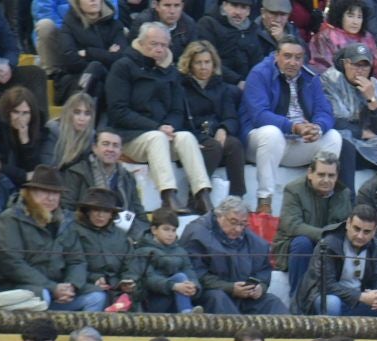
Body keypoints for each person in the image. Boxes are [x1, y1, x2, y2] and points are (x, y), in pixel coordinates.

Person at [104, 21, 215, 216]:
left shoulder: (170, 72)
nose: (159, 49)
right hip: (130, 136)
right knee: (157, 138)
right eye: (154, 44)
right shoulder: (123, 66)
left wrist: (170, 126)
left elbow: (177, 109)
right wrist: (156, 127)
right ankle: (168, 196)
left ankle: (202, 195)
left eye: (164, 45)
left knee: (187, 137)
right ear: (141, 42)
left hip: (162, 135)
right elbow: (118, 111)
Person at [241, 40, 346, 215]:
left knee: (333, 136)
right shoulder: (260, 74)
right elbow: (259, 115)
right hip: (261, 143)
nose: (293, 62)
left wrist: (317, 128)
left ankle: (321, 196)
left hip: (297, 141)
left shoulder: (310, 77)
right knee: (271, 133)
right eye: (287, 56)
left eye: (298, 58)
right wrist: (293, 127)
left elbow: (325, 111)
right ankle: (265, 201)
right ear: (277, 56)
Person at [0, 166, 104, 312]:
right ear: (30, 193)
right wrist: (51, 287)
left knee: (97, 296)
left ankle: (82, 335)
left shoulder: (66, 221)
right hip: (21, 287)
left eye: (55, 193)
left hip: (59, 290)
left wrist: (71, 286)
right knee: (41, 296)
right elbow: (12, 263)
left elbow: (77, 260)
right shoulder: (10, 219)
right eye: (45, 191)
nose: (51, 198)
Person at [181, 196, 286, 314]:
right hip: (211, 294)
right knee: (218, 298)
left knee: (272, 302)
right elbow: (196, 274)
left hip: (244, 296)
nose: (238, 229)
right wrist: (230, 288)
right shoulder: (197, 233)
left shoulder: (253, 240)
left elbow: (263, 270)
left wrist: (260, 287)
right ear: (219, 216)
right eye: (233, 222)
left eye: (243, 224)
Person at [296, 204, 377, 318]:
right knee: (332, 303)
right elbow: (326, 284)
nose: (360, 236)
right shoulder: (329, 243)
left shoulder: (374, 245)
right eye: (356, 229)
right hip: (328, 297)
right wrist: (360, 296)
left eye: (366, 232)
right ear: (348, 224)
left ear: (374, 231)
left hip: (359, 299)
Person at [177, 40, 248, 201]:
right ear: (190, 64)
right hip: (194, 136)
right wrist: (194, 139)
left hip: (215, 133)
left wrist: (224, 129)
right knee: (213, 147)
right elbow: (179, 118)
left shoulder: (221, 87)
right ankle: (196, 199)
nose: (203, 67)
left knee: (234, 145)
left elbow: (231, 117)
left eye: (207, 62)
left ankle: (237, 197)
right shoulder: (181, 87)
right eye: (198, 63)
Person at [273, 151, 352, 294]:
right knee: (302, 242)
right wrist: (325, 235)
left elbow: (344, 226)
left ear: (337, 176)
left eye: (331, 175)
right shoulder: (293, 189)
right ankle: (298, 299)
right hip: (293, 246)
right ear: (310, 173)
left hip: (329, 245)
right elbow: (292, 226)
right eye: (321, 175)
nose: (326, 180)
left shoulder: (343, 193)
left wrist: (328, 238)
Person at [322, 42, 377, 172]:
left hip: (369, 143)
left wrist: (372, 100)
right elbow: (332, 119)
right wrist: (362, 133)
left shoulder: (376, 86)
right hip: (344, 140)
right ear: (345, 63)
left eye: (365, 66)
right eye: (355, 65)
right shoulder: (330, 80)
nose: (360, 70)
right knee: (340, 138)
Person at [66, 188, 138, 313]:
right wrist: (94, 278)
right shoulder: (73, 231)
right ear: (87, 211)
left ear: (112, 214)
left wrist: (128, 280)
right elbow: (72, 264)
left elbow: (131, 263)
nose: (101, 215)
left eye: (106, 211)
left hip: (117, 290)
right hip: (84, 288)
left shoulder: (120, 236)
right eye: (96, 210)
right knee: (99, 297)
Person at [0, 84, 53, 187]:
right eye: (16, 112)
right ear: (7, 111)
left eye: (25, 113)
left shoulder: (38, 129)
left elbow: (36, 169)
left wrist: (26, 142)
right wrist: (23, 176)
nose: (20, 118)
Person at [60, 127, 141, 217]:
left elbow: (139, 214)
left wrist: (136, 230)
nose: (110, 149)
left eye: (115, 145)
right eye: (105, 144)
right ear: (94, 148)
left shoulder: (128, 178)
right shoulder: (77, 172)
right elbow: (66, 209)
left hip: (122, 228)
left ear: (121, 151)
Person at [309, 0, 377, 75]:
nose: (355, 22)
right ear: (340, 15)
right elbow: (324, 69)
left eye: (359, 17)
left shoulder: (367, 37)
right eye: (350, 16)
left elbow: (376, 67)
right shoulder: (326, 36)